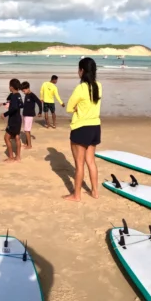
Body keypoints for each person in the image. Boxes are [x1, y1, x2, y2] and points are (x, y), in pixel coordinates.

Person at [63, 57, 102, 202]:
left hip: (81, 127)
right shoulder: (98, 85)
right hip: (95, 126)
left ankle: (77, 195)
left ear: (82, 71)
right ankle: (95, 192)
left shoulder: (81, 88)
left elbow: (68, 107)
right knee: (91, 161)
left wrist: (77, 108)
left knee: (79, 164)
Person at [2, 78, 23, 162]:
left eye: (9, 86)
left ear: (11, 87)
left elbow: (14, 108)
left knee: (6, 137)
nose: (9, 87)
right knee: (17, 137)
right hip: (18, 118)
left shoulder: (14, 96)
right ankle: (18, 156)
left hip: (13, 119)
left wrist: (5, 114)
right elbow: (21, 105)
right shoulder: (18, 95)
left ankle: (11, 157)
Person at [20, 81, 43, 149]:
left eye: (24, 91)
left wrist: (40, 112)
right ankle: (27, 143)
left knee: (27, 130)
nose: (23, 92)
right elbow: (25, 105)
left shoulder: (32, 95)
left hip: (29, 115)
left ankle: (29, 145)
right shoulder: (26, 95)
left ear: (28, 88)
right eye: (22, 91)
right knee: (27, 130)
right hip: (25, 114)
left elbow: (39, 102)